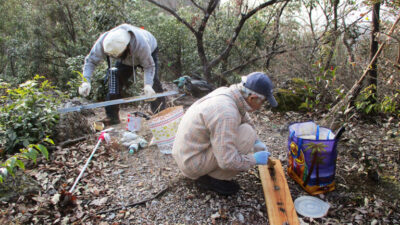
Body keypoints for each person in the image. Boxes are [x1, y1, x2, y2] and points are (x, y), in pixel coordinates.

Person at [172, 72, 278, 196]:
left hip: (187, 154)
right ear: (252, 98)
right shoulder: (227, 113)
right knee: (247, 134)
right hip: (192, 163)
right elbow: (227, 161)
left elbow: (245, 117)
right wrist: (254, 160)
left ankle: (210, 173)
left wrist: (257, 142)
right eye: (263, 102)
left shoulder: (229, 93)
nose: (261, 106)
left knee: (249, 130)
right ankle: (213, 179)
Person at [78, 24, 166, 125]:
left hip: (149, 49)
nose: (116, 57)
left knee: (153, 81)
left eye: (118, 55)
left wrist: (148, 85)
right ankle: (112, 117)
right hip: (126, 61)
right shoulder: (104, 41)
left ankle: (160, 114)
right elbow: (91, 61)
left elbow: (149, 66)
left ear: (127, 48)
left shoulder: (141, 44)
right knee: (114, 82)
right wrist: (85, 81)